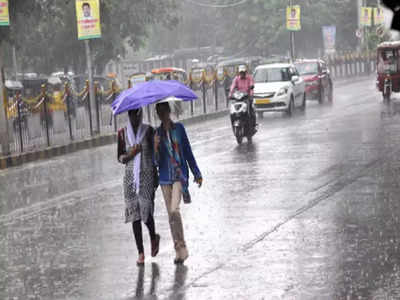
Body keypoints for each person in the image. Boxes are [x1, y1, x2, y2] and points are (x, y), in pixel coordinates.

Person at [153, 102, 203, 264]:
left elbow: (187, 151)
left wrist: (196, 172)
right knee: (170, 216)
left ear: (169, 111)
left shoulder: (179, 129)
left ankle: (182, 245)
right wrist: (155, 147)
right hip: (165, 178)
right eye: (159, 112)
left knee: (174, 210)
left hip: (179, 176)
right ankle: (178, 251)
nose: (162, 114)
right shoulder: (157, 134)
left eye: (164, 111)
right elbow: (155, 162)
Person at [117, 108, 160, 266]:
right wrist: (131, 154)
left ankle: (153, 237)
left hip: (147, 176)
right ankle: (140, 252)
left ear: (140, 115)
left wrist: (156, 146)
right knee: (135, 215)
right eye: (131, 115)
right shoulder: (122, 133)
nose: (134, 118)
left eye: (137, 115)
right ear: (128, 115)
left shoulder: (149, 131)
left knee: (146, 212)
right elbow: (120, 157)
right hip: (130, 179)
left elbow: (156, 156)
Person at [229, 65, 257, 133]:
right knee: (232, 112)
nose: (242, 74)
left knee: (251, 111)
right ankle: (233, 123)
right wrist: (230, 94)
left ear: (245, 72)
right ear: (239, 73)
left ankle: (253, 126)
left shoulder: (249, 78)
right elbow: (232, 86)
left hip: (247, 98)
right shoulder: (236, 79)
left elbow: (251, 87)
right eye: (241, 72)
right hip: (239, 98)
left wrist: (251, 94)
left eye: (243, 72)